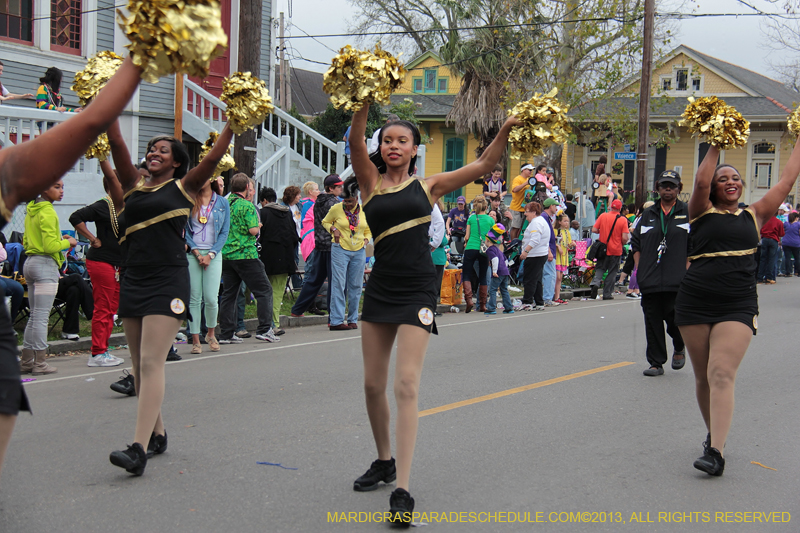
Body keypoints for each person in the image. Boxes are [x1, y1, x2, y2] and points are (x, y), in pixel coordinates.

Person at [348, 99, 519, 524]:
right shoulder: (369, 183)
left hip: (418, 288)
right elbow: (355, 142)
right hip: (382, 288)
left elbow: (482, 166)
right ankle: (383, 460)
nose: (393, 146)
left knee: (405, 384)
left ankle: (402, 488)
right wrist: (360, 104)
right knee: (372, 386)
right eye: (387, 140)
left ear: (414, 149)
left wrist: (507, 129)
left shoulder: (429, 187)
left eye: (401, 140)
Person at [0, 54, 142, 485]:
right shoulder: (73, 205)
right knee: (82, 307)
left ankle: (45, 355)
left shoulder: (14, 180)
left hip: (91, 266)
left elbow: (92, 124)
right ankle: (79, 353)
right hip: (59, 265)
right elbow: (92, 124)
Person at [104, 103, 236, 476]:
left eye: (163, 150)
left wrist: (233, 123)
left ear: (178, 162)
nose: (153, 153)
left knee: (150, 362)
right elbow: (116, 144)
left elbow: (213, 158)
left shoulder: (185, 187)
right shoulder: (132, 186)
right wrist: (106, 102)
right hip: (133, 278)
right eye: (151, 148)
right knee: (139, 366)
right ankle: (158, 434)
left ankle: (138, 448)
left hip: (168, 280)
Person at [675, 136, 800, 476]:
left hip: (737, 304)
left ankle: (716, 452)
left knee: (721, 373)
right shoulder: (700, 212)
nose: (730, 181)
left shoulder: (755, 215)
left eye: (735, 178)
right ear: (713, 189)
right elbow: (700, 180)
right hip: (695, 301)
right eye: (722, 178)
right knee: (702, 378)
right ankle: (715, 435)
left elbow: (787, 179)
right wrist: (715, 142)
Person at [631, 171, 690, 377]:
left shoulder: (687, 212)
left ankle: (679, 344)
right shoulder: (648, 214)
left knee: (675, 319)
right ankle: (656, 362)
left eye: (672, 186)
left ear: (678, 189)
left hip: (678, 279)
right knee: (652, 320)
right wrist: (640, 269)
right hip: (650, 279)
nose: (668, 189)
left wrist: (687, 271)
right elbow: (635, 242)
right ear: (657, 188)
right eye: (664, 185)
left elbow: (694, 245)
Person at [69, 160, 125, 366]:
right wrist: (92, 238)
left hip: (118, 264)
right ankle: (97, 352)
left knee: (112, 307)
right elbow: (75, 217)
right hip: (101, 262)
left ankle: (103, 349)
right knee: (103, 306)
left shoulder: (124, 207)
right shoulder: (104, 205)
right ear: (112, 186)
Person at [19, 179, 77, 375]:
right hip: (45, 266)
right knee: (41, 317)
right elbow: (51, 246)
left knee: (34, 316)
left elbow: (26, 240)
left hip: (30, 263)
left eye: (62, 187)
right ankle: (40, 363)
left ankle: (26, 361)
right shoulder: (48, 211)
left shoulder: (31, 209)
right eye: (57, 187)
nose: (61, 191)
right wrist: (68, 242)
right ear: (44, 189)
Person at [215, 173, 280, 344]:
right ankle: (265, 328)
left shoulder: (224, 203)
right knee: (264, 290)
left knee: (230, 294)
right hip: (245, 254)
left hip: (227, 255)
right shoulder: (247, 206)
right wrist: (257, 225)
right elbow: (253, 230)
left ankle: (227, 332)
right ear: (246, 188)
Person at [185, 174, 230, 354]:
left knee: (211, 298)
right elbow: (185, 229)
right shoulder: (190, 200)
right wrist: (196, 252)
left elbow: (224, 232)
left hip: (213, 254)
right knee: (194, 298)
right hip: (193, 254)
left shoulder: (221, 203)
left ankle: (211, 333)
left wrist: (211, 254)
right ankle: (195, 338)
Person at [322, 178, 371, 330]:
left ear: (357, 199)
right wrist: (334, 230)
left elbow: (368, 229)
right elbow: (325, 222)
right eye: (345, 201)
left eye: (350, 201)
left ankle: (352, 318)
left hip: (358, 251)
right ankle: (336, 321)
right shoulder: (336, 208)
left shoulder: (364, 211)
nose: (347, 205)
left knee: (356, 285)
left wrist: (366, 240)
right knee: (338, 284)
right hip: (340, 248)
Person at [291, 175, 342, 318]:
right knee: (335, 281)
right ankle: (334, 316)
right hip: (332, 245)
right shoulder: (334, 203)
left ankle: (298, 309)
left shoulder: (318, 201)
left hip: (319, 244)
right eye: (338, 186)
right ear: (330, 188)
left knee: (314, 279)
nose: (341, 189)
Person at [259, 187, 301, 336]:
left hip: (266, 259)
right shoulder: (286, 213)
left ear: (264, 200)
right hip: (285, 258)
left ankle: (264, 322)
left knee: (263, 291)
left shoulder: (262, 213)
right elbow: (294, 236)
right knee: (277, 293)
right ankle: (275, 323)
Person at [590, 199, 629, 300]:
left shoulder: (603, 216)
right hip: (616, 249)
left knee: (600, 268)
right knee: (612, 271)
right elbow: (625, 238)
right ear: (620, 208)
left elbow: (594, 229)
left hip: (603, 248)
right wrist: (622, 243)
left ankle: (595, 283)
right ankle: (607, 294)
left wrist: (602, 231)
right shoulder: (623, 220)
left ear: (611, 206)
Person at [462, 195, 493, 313]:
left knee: (466, 274)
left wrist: (466, 242)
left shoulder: (471, 218)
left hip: (471, 247)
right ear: (486, 206)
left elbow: (467, 236)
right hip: (484, 250)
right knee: (483, 275)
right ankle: (483, 305)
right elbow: (493, 237)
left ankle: (469, 300)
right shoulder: (490, 220)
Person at [518, 201, 549, 311]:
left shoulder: (536, 223)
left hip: (535, 255)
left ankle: (527, 301)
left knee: (529, 279)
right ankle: (539, 302)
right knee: (537, 279)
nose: (525, 214)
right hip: (540, 254)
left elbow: (535, 239)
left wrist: (526, 251)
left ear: (534, 212)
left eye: (527, 212)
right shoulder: (541, 221)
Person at [484, 223, 513, 315]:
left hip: (498, 272)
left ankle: (491, 307)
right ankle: (508, 307)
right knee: (504, 289)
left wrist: (494, 271)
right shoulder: (498, 250)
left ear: (488, 240)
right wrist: (506, 269)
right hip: (505, 271)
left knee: (493, 289)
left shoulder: (490, 250)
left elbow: (495, 260)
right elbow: (505, 260)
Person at [430, 199, 448, 316]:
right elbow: (443, 241)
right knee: (435, 285)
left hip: (432, 257)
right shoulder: (438, 224)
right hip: (438, 258)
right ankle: (432, 308)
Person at [541, 198, 559, 307]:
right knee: (550, 274)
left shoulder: (547, 218)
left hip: (549, 249)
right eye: (555, 206)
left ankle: (547, 297)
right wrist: (549, 252)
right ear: (550, 206)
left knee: (549, 274)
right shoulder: (544, 218)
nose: (556, 208)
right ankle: (547, 298)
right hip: (548, 250)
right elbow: (544, 236)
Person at [757, 214, 783, 284]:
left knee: (763, 259)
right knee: (771, 259)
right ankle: (769, 277)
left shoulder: (764, 221)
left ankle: (759, 278)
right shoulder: (778, 222)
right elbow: (781, 233)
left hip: (764, 239)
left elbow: (760, 230)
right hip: (773, 240)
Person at [509, 164, 533, 240]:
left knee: (521, 229)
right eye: (529, 170)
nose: (531, 172)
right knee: (515, 228)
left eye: (531, 170)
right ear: (523, 170)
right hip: (516, 208)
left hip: (524, 208)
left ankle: (518, 243)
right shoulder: (518, 179)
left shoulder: (528, 179)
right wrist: (526, 183)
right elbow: (514, 189)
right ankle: (513, 244)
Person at [553, 213, 572, 304]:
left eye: (568, 221)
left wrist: (572, 244)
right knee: (557, 277)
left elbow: (568, 244)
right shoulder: (556, 231)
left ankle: (557, 296)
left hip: (564, 256)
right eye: (564, 221)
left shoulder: (567, 232)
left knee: (560, 278)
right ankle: (554, 296)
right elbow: (553, 241)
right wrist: (558, 246)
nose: (566, 223)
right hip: (557, 257)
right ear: (559, 222)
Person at [781, 211, 800, 276]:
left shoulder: (786, 224)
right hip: (795, 243)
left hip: (786, 242)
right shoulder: (798, 224)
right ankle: (797, 271)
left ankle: (787, 272)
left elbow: (783, 232)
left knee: (787, 258)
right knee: (797, 258)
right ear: (795, 218)